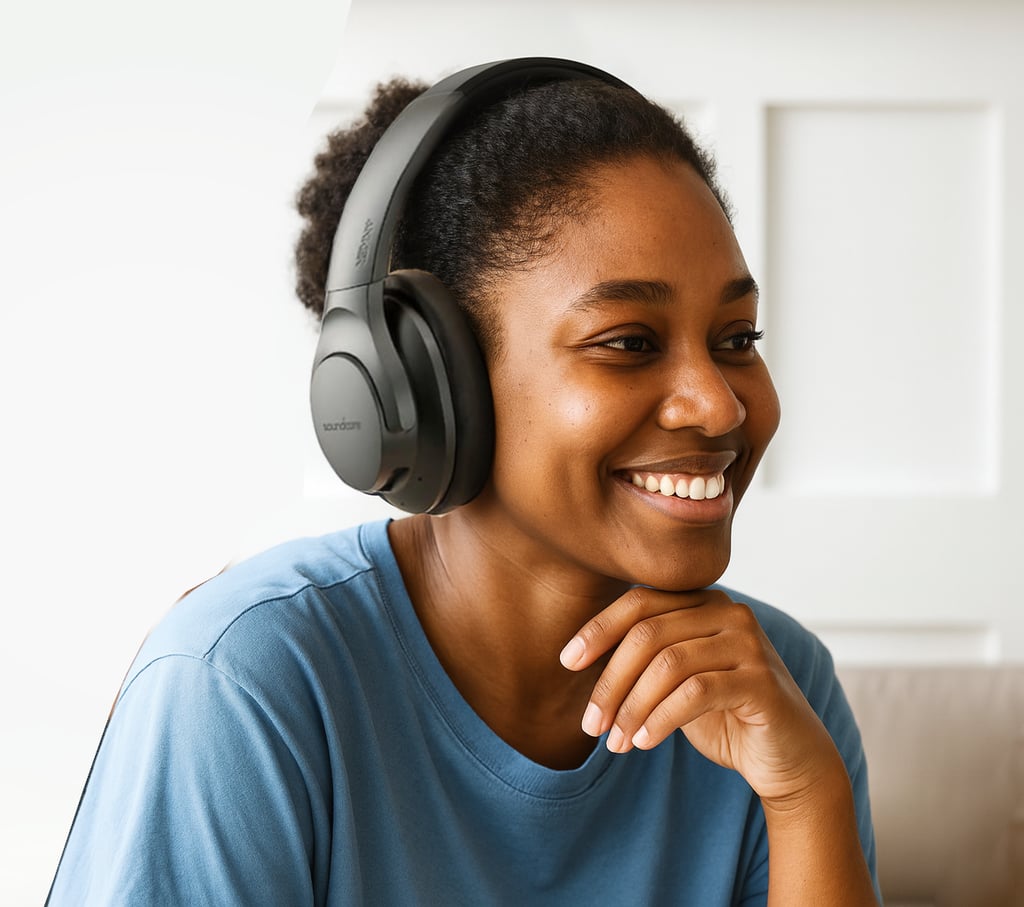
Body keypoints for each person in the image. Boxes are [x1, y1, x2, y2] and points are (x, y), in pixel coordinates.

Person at [49, 60, 879, 905]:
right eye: (628, 341)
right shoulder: (246, 683)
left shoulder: (773, 690)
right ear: (429, 382)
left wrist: (806, 798)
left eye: (738, 337)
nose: (717, 402)